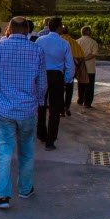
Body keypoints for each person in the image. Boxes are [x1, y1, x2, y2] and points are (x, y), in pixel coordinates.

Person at [0, 16, 47, 210]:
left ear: (9, 29)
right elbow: (42, 83)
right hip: (27, 109)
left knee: (3, 152)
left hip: (4, 109)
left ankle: (2, 196)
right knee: (27, 150)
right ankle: (25, 188)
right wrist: (38, 102)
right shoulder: (37, 50)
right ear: (27, 30)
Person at [35, 17, 75, 150]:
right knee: (55, 109)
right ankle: (50, 141)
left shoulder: (40, 41)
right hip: (57, 76)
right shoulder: (64, 43)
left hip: (42, 74)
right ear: (59, 27)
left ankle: (41, 133)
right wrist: (67, 80)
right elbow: (69, 65)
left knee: (41, 104)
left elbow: (35, 59)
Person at [60, 26, 86, 116]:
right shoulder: (74, 42)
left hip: (60, 70)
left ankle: (61, 109)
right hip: (72, 69)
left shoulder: (60, 41)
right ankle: (67, 106)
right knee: (69, 89)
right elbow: (81, 56)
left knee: (60, 90)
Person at [77, 26, 99, 108]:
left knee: (81, 84)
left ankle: (80, 100)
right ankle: (87, 103)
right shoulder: (93, 42)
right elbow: (94, 54)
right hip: (90, 67)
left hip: (80, 67)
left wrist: (81, 60)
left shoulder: (77, 42)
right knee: (89, 86)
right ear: (90, 32)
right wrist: (85, 58)